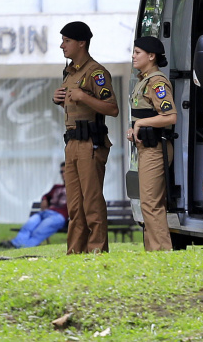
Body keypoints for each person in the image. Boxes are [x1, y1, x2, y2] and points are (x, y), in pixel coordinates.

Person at [52, 21, 119, 254]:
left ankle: (97, 250)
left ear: (81, 43)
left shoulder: (96, 72)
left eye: (67, 40)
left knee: (91, 202)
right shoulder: (69, 72)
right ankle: (75, 252)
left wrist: (83, 96)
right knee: (74, 206)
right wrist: (59, 99)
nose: (62, 46)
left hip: (91, 143)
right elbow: (74, 104)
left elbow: (112, 108)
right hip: (71, 142)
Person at [127, 36, 177, 251]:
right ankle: (152, 252)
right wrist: (134, 127)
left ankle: (161, 252)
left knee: (151, 203)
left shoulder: (157, 82)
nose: (133, 56)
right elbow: (143, 113)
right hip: (145, 148)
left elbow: (170, 116)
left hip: (155, 148)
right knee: (147, 203)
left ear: (151, 55)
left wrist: (141, 124)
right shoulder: (144, 80)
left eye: (137, 52)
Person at [0, 163, 68, 249]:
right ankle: (15, 244)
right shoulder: (56, 187)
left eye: (65, 171)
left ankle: (24, 247)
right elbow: (46, 196)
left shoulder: (76, 188)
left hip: (58, 217)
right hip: (44, 213)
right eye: (61, 172)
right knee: (27, 227)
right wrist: (44, 199)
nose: (63, 174)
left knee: (39, 232)